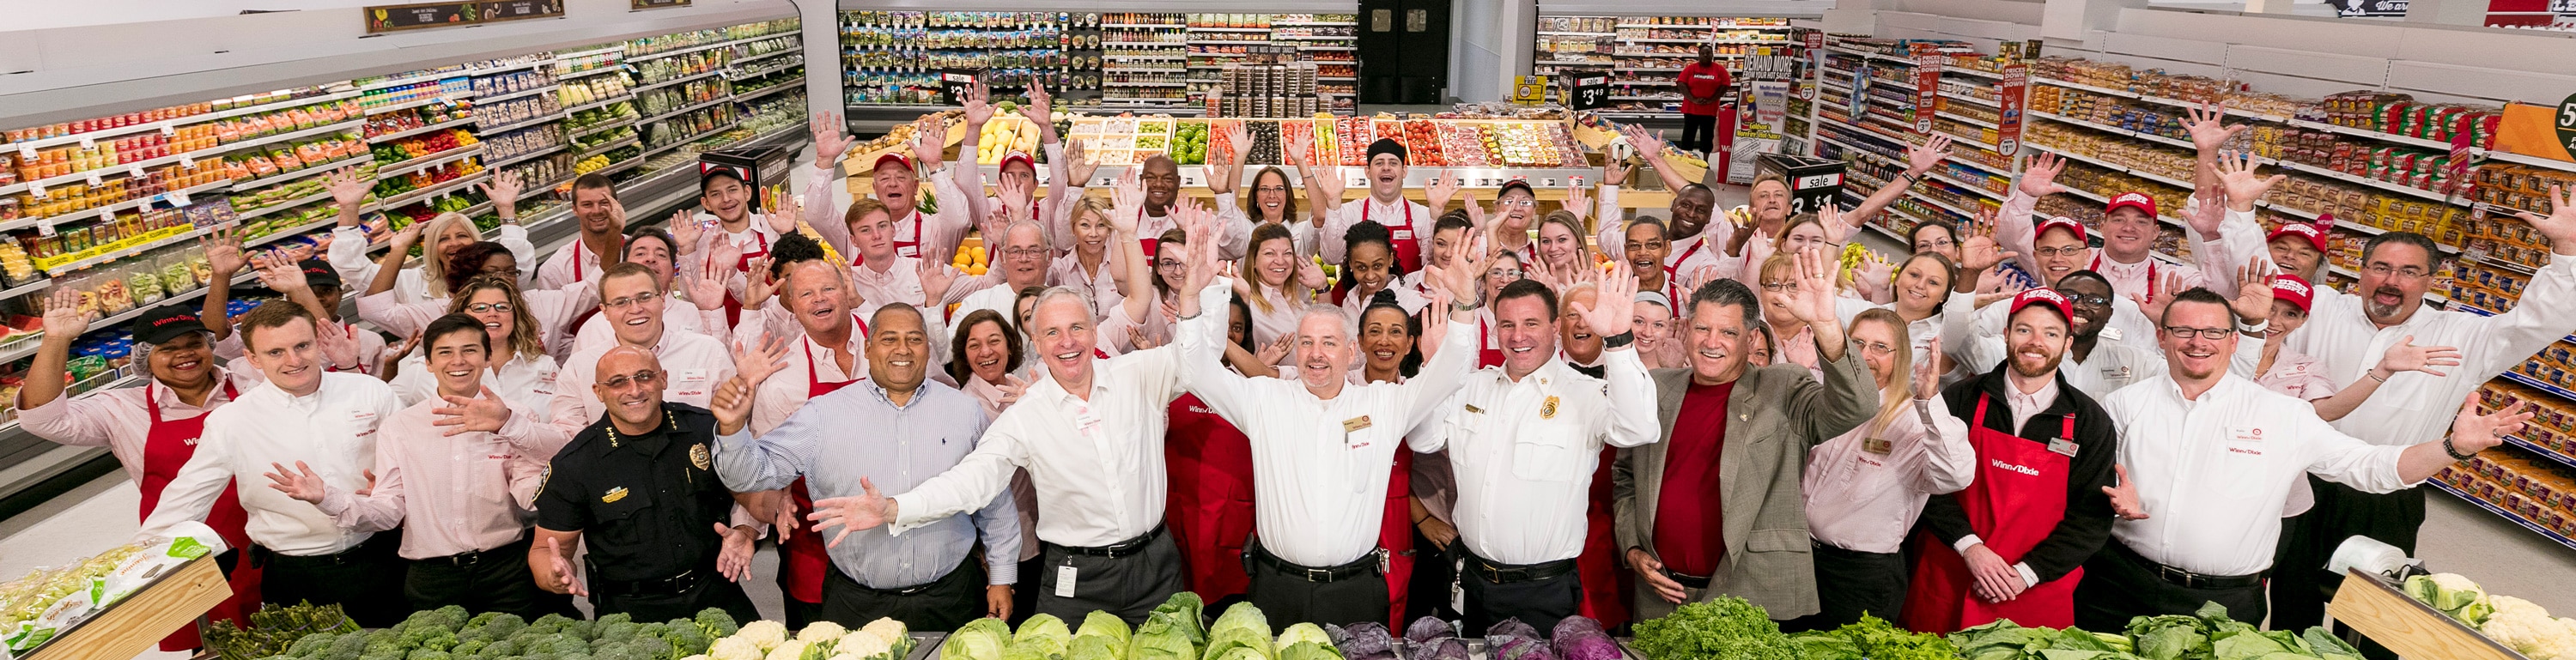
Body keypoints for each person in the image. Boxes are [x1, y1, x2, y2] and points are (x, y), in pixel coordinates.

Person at [796, 209, 1234, 624]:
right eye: (1051, 333)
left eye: (1077, 328)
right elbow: (971, 481)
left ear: (1095, 331)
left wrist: (1204, 291)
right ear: (1035, 345)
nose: (1067, 342)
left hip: (1155, 564)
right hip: (1075, 574)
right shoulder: (1026, 415)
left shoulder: (1140, 373)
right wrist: (895, 508)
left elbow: (1201, 359)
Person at [2075, 288, 2535, 629]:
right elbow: (2082, 479)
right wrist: (2106, 495)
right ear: (2162, 336)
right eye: (2184, 331)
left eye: (2214, 331)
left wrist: (2454, 447)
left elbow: (2373, 469)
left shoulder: (2283, 415)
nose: (2199, 342)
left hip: (2225, 602)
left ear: (2234, 341)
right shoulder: (2124, 405)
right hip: (2118, 582)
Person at [2270, 189, 2576, 633]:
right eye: (2381, 267)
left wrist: (2566, 253)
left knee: (2374, 615)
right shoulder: (2320, 309)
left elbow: (2538, 322)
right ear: (2361, 271)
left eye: (2410, 271)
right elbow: (2256, 286)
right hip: (2302, 484)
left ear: (2433, 279)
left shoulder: (2463, 335)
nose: (2392, 280)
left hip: (2388, 495)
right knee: (2290, 599)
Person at [1177, 226, 1484, 627]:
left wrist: (1464, 304)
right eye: (1306, 342)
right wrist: (1190, 297)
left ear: (1351, 351)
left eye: (1329, 343)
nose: (1316, 354)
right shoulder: (1265, 399)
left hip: (1355, 590)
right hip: (1276, 586)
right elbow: (1194, 370)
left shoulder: (1383, 404)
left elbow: (1446, 376)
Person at [713, 302, 1021, 630]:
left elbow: (994, 500)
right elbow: (751, 475)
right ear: (868, 347)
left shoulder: (965, 412)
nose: (903, 349)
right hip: (857, 603)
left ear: (928, 348)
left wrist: (1002, 577)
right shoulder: (822, 415)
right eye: (889, 339)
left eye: (914, 339)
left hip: (953, 595)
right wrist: (733, 430)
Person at [1613, 251, 1878, 624]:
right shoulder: (1655, 388)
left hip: (1752, 595)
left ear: (1751, 337)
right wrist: (1632, 548)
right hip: (1661, 596)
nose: (1712, 341)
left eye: (1728, 332)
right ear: (1687, 329)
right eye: (1702, 328)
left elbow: (1858, 406)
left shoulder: (1783, 387)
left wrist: (1826, 325)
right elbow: (1625, 477)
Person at [1411, 269, 1657, 633]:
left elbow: (1638, 429)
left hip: (1544, 592)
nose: (1518, 336)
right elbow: (1424, 439)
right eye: (1507, 324)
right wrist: (1436, 367)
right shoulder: (1471, 387)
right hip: (1471, 582)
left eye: (1531, 323)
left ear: (1556, 328)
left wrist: (1619, 342)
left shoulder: (1584, 393)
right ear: (1494, 330)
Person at [17, 292, 265, 651]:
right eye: (167, 349)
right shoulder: (121, 409)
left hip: (270, 539)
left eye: (194, 343)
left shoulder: (251, 387)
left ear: (209, 344)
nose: (185, 354)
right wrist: (56, 339)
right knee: (216, 645)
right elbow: (42, 417)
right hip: (187, 554)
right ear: (144, 360)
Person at [139, 300, 409, 627]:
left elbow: (413, 461)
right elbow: (185, 499)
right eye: (276, 352)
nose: (294, 360)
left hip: (384, 555)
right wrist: (132, 567)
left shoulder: (369, 392)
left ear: (317, 343)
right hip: (298, 575)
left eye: (302, 345)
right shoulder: (231, 421)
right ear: (252, 358)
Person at [289, 313, 575, 619]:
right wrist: (328, 498)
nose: (458, 361)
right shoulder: (400, 427)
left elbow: (531, 492)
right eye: (445, 352)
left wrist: (508, 426)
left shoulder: (515, 415)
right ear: (428, 363)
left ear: (487, 356)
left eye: (469, 350)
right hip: (432, 577)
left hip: (507, 568)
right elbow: (389, 510)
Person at [1899, 288, 2118, 633]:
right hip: (1950, 572)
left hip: (2033, 589)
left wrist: (2024, 575)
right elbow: (1926, 481)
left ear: (2066, 343)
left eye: (2051, 333)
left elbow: (2090, 519)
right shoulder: (1960, 399)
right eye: (2024, 329)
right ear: (2006, 335)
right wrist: (1970, 548)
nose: (2036, 342)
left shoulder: (2091, 422)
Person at [529, 346, 762, 622]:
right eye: (617, 382)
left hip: (715, 592)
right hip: (631, 611)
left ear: (663, 379)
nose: (635, 389)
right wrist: (552, 574)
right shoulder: (575, 465)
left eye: (644, 376)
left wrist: (746, 530)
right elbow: (546, 549)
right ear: (598, 392)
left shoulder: (707, 429)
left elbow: (756, 486)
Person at [1790, 311, 1972, 629]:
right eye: (1857, 342)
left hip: (1859, 577)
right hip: (1798, 559)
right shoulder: (1821, 399)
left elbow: (1955, 475)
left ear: (1900, 357)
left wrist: (1929, 401)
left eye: (1880, 347)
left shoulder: (1913, 419)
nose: (1864, 355)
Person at [1994, 153, 2236, 305]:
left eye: (2141, 221)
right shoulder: (2070, 261)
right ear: (2102, 226)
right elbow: (2011, 238)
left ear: (2155, 232)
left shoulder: (2175, 278)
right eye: (2119, 219)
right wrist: (2026, 196)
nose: (2129, 227)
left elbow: (2222, 295)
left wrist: (2213, 238)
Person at [1163, 293, 1265, 610]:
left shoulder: (1249, 388)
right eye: (1220, 326)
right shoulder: (1170, 381)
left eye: (1236, 328)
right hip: (1181, 514)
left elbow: (1272, 380)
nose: (1228, 334)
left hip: (1233, 519)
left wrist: (1220, 342)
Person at [550, 263, 738, 433]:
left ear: (662, 299)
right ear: (605, 311)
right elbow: (568, 436)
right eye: (621, 302)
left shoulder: (708, 352)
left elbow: (734, 424)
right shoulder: (580, 366)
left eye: (645, 297)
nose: (635, 309)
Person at [360, 239, 598, 360]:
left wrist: (611, 232)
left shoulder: (539, 303)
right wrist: (399, 250)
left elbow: (595, 285)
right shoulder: (441, 313)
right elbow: (376, 310)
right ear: (468, 277)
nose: (504, 279)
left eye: (510, 272)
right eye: (493, 273)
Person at [328, 171, 534, 304]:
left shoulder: (499, 276)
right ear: (431, 248)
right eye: (443, 239)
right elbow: (350, 266)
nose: (454, 243)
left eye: (462, 235)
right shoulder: (411, 282)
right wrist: (349, 209)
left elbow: (518, 261)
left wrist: (506, 209)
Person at [204, 235, 387, 376]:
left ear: (340, 293)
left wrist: (301, 289)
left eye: (326, 291)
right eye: (308, 293)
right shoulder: (265, 340)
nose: (319, 299)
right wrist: (220, 276)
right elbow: (216, 335)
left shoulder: (370, 342)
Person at [386, 276, 562, 417]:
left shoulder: (544, 365)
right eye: (480, 308)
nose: (492, 313)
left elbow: (565, 423)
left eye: (502, 307)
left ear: (516, 314)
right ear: (462, 315)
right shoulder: (425, 370)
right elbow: (380, 405)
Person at [572, 228, 732, 352]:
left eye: (661, 255)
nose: (650, 259)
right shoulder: (593, 328)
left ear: (672, 273)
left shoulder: (698, 315)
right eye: (640, 253)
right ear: (624, 266)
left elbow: (722, 363)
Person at [1294, 131, 1432, 271]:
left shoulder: (1423, 215)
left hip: (1408, 292)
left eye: (1393, 163)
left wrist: (1437, 211)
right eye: (1379, 163)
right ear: (1367, 172)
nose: (1386, 167)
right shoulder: (1349, 212)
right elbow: (1331, 257)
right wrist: (1333, 202)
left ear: (1404, 171)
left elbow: (1431, 261)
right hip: (1357, 292)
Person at [1240, 222, 1330, 345]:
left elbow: (1327, 331)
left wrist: (1322, 287)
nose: (1280, 261)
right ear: (1253, 260)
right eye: (1269, 253)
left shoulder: (1296, 303)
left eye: (1287, 253)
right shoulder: (1248, 306)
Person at [532, 173, 626, 290]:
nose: (597, 211)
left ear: (617, 205)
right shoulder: (554, 270)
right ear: (575, 209)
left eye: (604, 203)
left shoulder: (640, 251)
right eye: (587, 205)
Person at [1338, 221, 1426, 320]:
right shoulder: (1348, 301)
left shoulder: (1412, 302)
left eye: (1377, 266)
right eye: (1361, 267)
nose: (1370, 276)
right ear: (1351, 264)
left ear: (1390, 259)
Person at [1673, 44, 1731, 155]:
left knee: (1707, 137)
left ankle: (1706, 161)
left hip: (1709, 110)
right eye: (1703, 53)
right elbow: (1681, 83)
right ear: (1698, 55)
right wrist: (1693, 99)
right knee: (1688, 135)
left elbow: (1725, 85)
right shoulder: (1691, 68)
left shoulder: (1719, 69)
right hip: (1691, 109)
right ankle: (1686, 159)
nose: (1705, 55)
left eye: (1708, 53)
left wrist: (1712, 100)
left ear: (1712, 55)